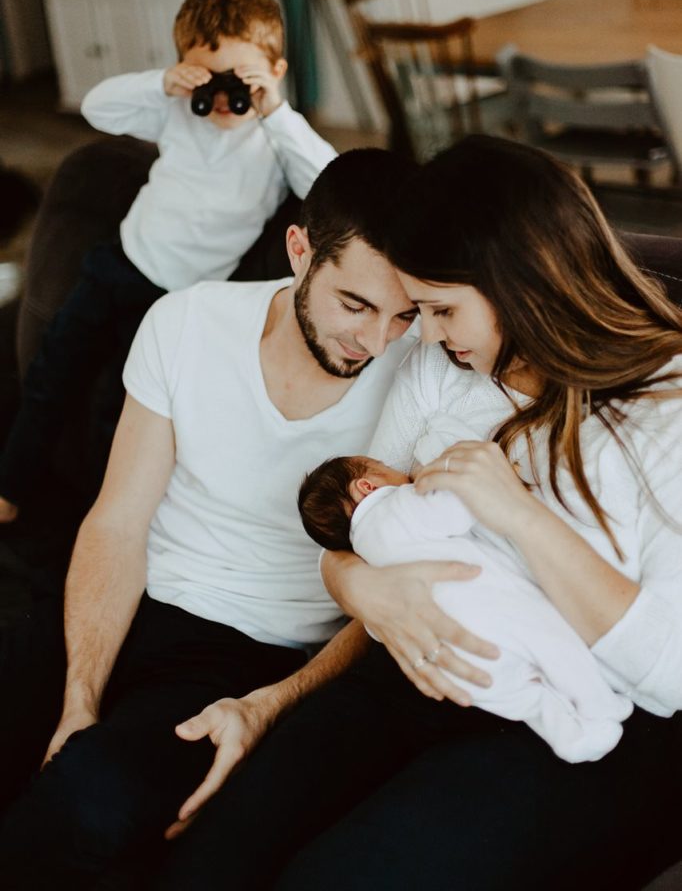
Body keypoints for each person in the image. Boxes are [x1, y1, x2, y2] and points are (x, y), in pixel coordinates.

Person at [148, 135, 682, 891]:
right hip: (406, 674)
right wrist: (363, 591)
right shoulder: (447, 371)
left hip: (570, 716)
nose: (423, 338)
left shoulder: (664, 409)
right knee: (212, 860)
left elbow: (672, 674)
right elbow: (361, 524)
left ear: (520, 283)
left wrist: (521, 516)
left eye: (441, 310)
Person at [0, 149, 436, 890]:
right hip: (121, 602)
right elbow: (117, 522)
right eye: (355, 305)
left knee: (89, 801)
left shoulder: (425, 379)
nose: (376, 341)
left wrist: (274, 704)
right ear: (300, 251)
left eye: (404, 314)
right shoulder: (188, 322)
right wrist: (79, 698)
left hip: (246, 653)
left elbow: (388, 595)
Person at [0, 0, 336, 523]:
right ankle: (11, 486)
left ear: (274, 74)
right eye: (212, 80)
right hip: (117, 266)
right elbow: (95, 109)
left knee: (127, 401)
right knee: (52, 372)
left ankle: (112, 511)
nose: (225, 99)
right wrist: (163, 84)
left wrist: (275, 112)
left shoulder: (275, 143)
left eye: (240, 81)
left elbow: (329, 181)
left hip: (179, 302)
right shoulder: (176, 111)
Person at [298, 452, 632, 763]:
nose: (401, 472)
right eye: (385, 466)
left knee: (525, 698)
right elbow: (457, 507)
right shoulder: (396, 506)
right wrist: (486, 478)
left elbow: (378, 625)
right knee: (555, 647)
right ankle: (600, 705)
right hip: (493, 614)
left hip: (447, 662)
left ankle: (570, 736)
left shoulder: (364, 555)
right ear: (367, 486)